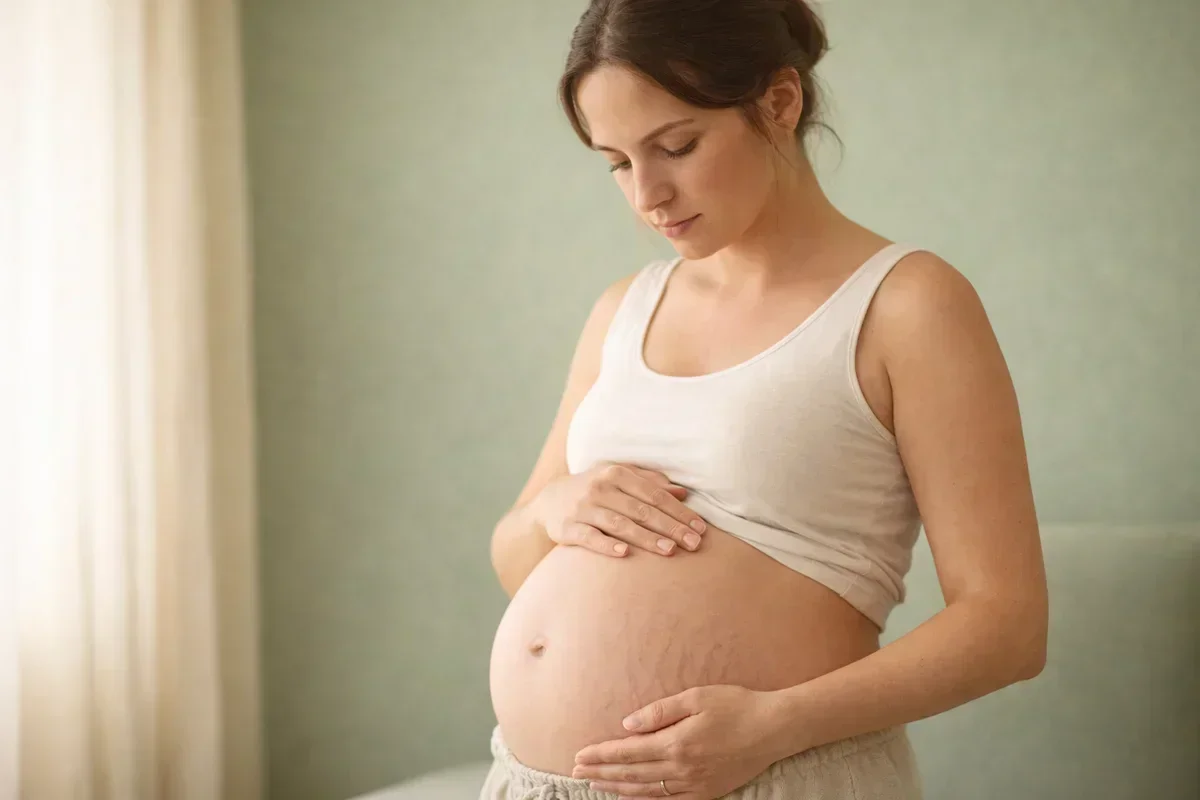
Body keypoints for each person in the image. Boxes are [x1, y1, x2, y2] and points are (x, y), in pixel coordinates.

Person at [484, 1, 1049, 798]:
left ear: (780, 101)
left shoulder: (907, 305)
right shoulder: (623, 309)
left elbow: (1008, 626)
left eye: (676, 146)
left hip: (772, 776)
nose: (647, 194)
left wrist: (777, 724)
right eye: (616, 162)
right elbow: (515, 557)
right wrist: (554, 510)